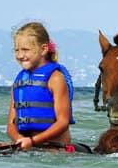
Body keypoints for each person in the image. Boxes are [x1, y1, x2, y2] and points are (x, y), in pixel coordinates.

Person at [7, 22, 75, 151]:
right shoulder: (19, 81)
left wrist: (32, 141)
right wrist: (19, 140)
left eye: (25, 50)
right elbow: (11, 125)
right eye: (16, 50)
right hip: (27, 145)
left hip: (55, 148)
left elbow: (62, 122)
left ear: (43, 49)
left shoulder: (55, 78)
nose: (20, 55)